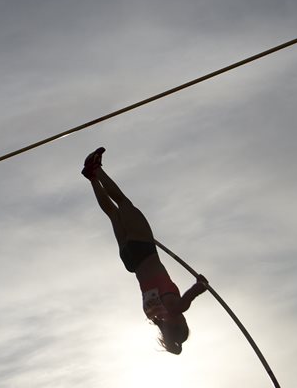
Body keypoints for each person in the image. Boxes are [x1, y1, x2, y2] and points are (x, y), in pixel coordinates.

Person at [82, 147, 208, 354]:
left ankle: (96, 169)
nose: (184, 318)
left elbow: (190, 296)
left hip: (144, 251)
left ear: (180, 324)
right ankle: (92, 178)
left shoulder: (175, 309)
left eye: (184, 322)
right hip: (131, 260)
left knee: (123, 203)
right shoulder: (152, 315)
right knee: (113, 214)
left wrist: (201, 286)